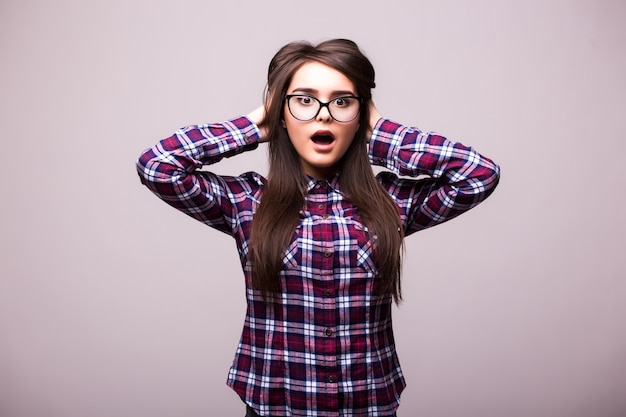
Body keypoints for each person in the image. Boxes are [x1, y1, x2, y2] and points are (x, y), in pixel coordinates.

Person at [136, 38, 500, 417]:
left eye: (343, 101)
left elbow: (479, 175)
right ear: (282, 112)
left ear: (361, 116)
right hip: (274, 408)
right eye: (304, 100)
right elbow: (157, 166)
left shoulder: (391, 201)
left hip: (368, 407)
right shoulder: (247, 201)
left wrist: (380, 130)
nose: (324, 115)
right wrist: (254, 125)